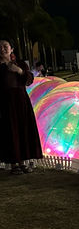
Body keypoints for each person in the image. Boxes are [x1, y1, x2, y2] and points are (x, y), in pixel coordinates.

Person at [0, 40, 43, 174]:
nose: (2, 49)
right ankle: (14, 164)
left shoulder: (20, 64)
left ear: (11, 49)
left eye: (5, 46)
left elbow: (29, 79)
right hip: (5, 102)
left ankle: (23, 162)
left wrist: (19, 71)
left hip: (21, 101)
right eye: (0, 47)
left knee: (23, 130)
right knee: (10, 132)